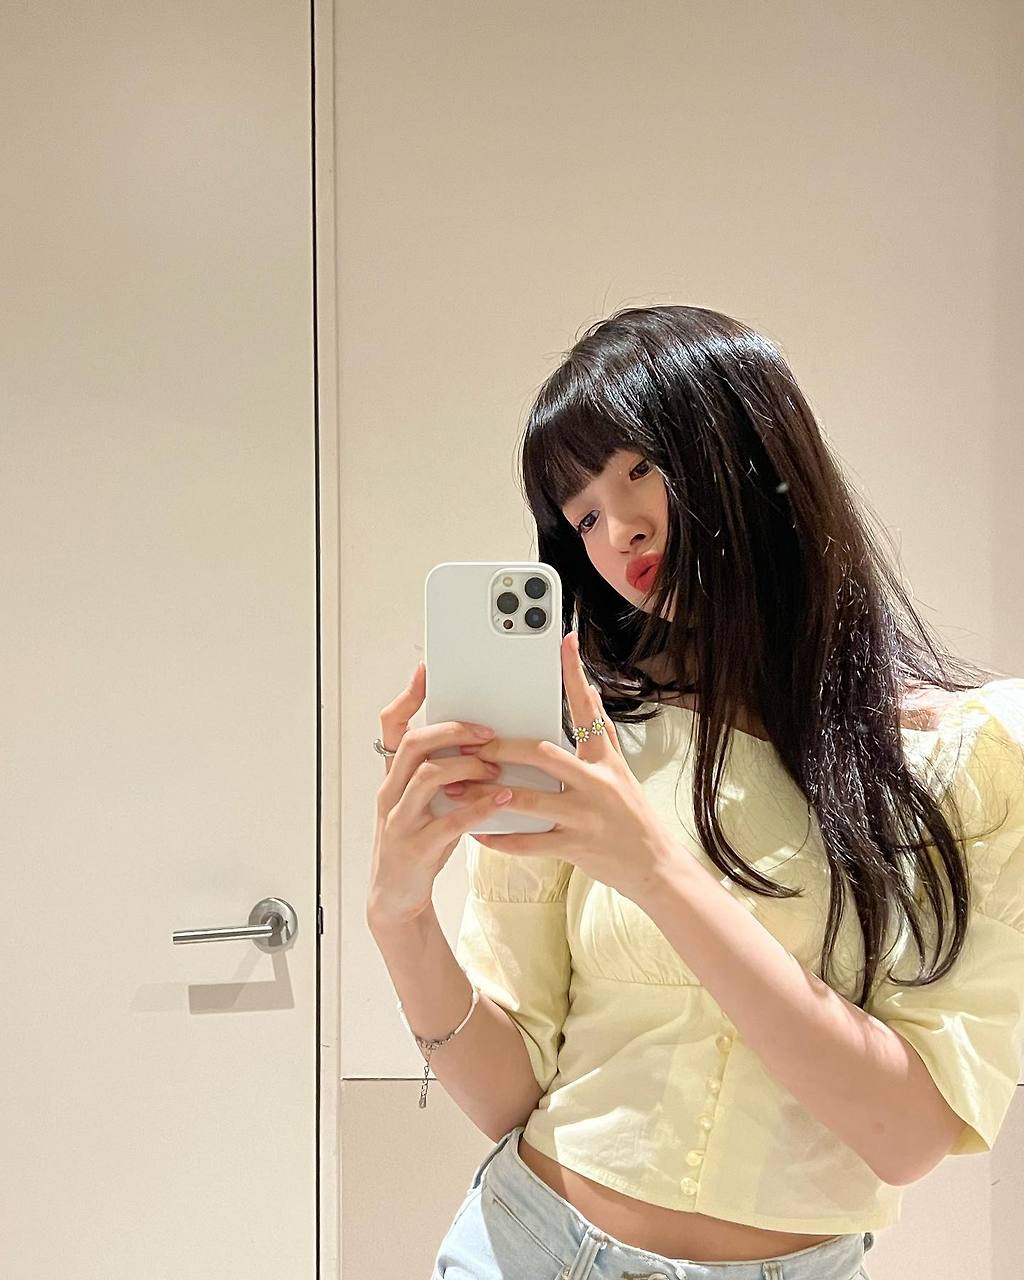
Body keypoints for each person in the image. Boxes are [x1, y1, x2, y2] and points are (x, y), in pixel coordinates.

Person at [367, 305, 1024, 1280]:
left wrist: (655, 870)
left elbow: (907, 1135)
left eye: (638, 468)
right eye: (582, 515)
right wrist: (400, 914)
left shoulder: (963, 759)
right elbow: (510, 1093)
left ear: (752, 449)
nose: (617, 528)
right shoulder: (593, 739)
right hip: (526, 1244)